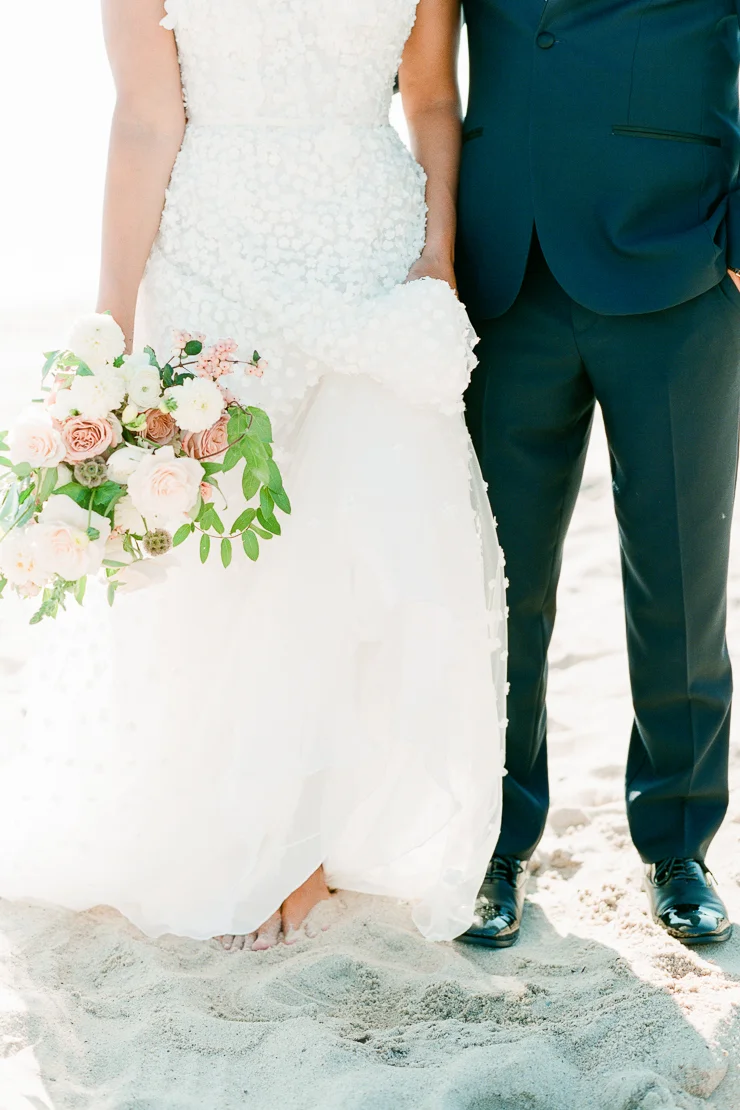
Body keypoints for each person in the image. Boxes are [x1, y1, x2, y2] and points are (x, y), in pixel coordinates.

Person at [0, 0, 507, 950]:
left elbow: (433, 99)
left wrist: (436, 255)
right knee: (231, 557)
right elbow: (147, 117)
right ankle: (250, 829)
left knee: (363, 532)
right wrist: (109, 321)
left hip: (374, 256)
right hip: (214, 259)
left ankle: (314, 830)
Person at [459, 0, 740, 948]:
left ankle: (679, 844)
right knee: (497, 583)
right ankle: (491, 843)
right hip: (498, 265)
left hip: (679, 258)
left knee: (679, 573)